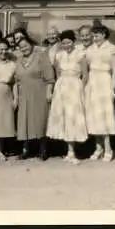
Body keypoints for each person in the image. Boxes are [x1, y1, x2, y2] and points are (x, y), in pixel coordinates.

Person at [46, 30, 88, 164]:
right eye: (63, 43)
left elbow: (85, 76)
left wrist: (81, 88)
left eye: (68, 42)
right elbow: (58, 74)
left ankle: (72, 151)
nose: (66, 45)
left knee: (73, 117)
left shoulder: (81, 54)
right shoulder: (58, 56)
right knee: (63, 117)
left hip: (75, 87)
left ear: (73, 41)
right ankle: (68, 151)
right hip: (62, 88)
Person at [15, 35, 55, 160]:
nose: (24, 48)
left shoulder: (41, 57)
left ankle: (43, 150)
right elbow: (17, 79)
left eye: (26, 45)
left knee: (40, 120)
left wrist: (49, 93)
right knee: (24, 121)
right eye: (21, 47)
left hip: (39, 92)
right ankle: (26, 150)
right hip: (24, 94)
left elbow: (50, 78)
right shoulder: (19, 59)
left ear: (32, 45)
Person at [84, 25, 115, 162]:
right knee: (93, 116)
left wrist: (112, 88)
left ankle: (108, 149)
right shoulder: (90, 49)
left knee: (104, 115)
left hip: (105, 82)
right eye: (93, 35)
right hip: (92, 83)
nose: (95, 37)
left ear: (104, 34)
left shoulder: (111, 48)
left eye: (97, 34)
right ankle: (98, 148)